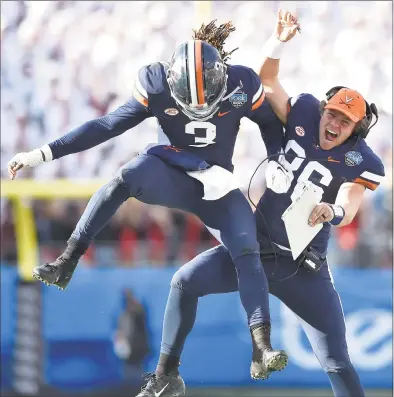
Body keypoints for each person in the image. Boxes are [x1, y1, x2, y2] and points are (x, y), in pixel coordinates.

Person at [7, 21, 288, 396]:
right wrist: (43, 153)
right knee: (128, 175)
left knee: (247, 248)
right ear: (172, 83)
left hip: (217, 185)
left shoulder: (241, 83)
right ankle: (68, 260)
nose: (201, 107)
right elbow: (107, 125)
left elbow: (270, 124)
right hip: (171, 175)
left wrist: (277, 161)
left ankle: (261, 345)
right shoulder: (156, 83)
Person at [135, 10, 385, 397]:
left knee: (336, 361)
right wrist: (279, 41)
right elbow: (268, 79)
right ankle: (167, 376)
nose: (335, 123)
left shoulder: (362, 161)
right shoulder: (301, 113)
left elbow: (350, 205)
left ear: (357, 128)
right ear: (323, 109)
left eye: (345, 121)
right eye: (332, 113)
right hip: (253, 247)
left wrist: (332, 211)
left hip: (302, 266)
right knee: (184, 282)